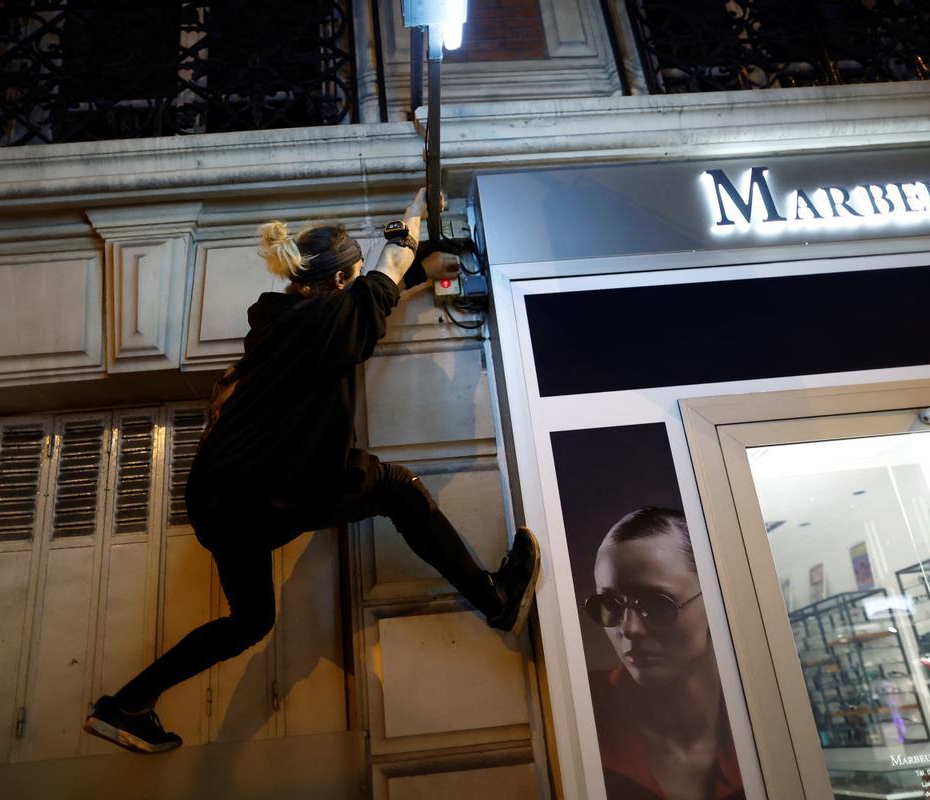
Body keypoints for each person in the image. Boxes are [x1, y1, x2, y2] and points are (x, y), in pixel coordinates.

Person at [84, 189, 539, 754]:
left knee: (249, 622)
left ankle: (126, 705)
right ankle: (496, 600)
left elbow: (381, 292)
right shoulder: (328, 319)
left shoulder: (284, 322)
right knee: (396, 489)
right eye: (355, 274)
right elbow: (390, 267)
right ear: (344, 280)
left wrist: (419, 264)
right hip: (277, 490)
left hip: (219, 500)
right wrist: (417, 210)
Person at [582, 507, 743, 800]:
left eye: (657, 604)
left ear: (715, 598)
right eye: (609, 605)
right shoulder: (579, 712)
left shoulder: (760, 713)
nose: (629, 629)